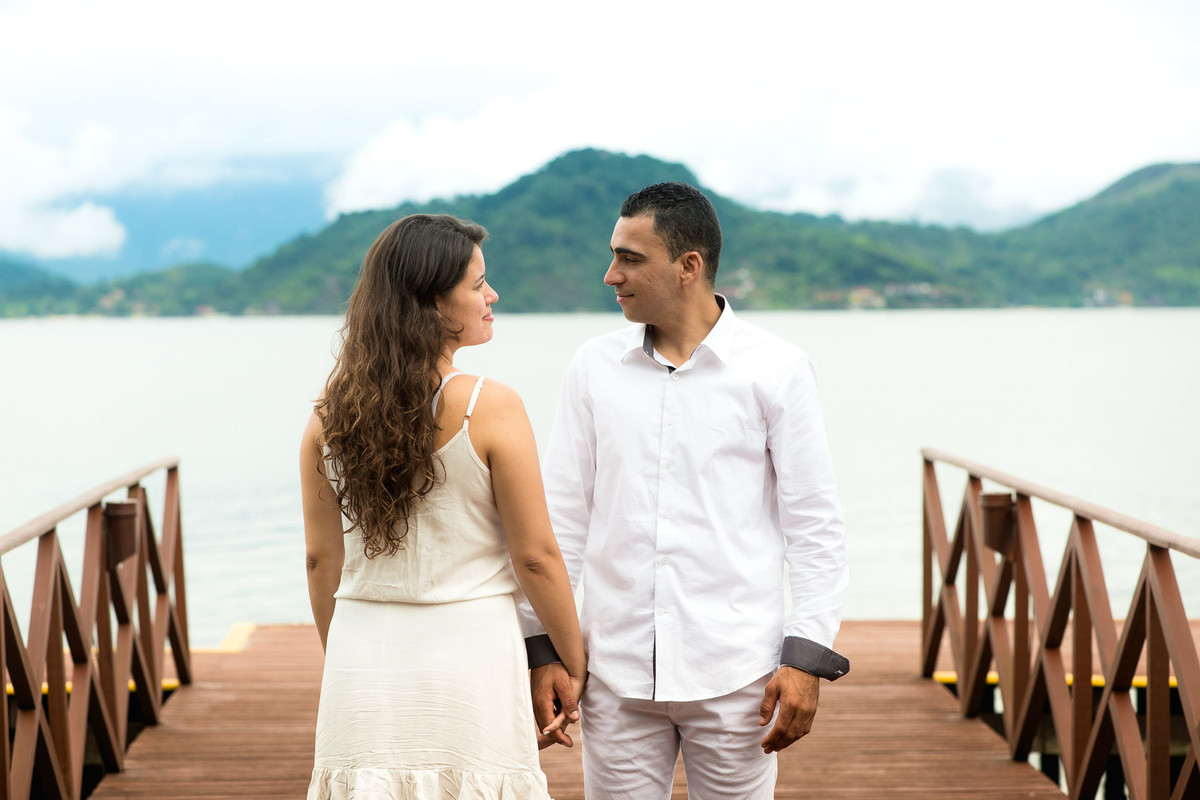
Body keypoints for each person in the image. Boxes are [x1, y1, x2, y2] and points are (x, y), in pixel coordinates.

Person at [519, 183, 850, 798]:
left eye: (629, 258)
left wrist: (806, 658)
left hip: (739, 678)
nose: (610, 274)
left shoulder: (777, 369)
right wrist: (543, 647)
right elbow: (559, 520)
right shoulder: (592, 366)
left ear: (688, 266)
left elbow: (815, 528)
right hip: (612, 674)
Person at [302, 213, 587, 799]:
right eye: (477, 284)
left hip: (360, 656)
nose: (492, 295)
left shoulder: (327, 415)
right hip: (468, 656)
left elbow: (319, 562)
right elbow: (535, 556)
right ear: (432, 303)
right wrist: (571, 658)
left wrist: (345, 658)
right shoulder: (490, 404)